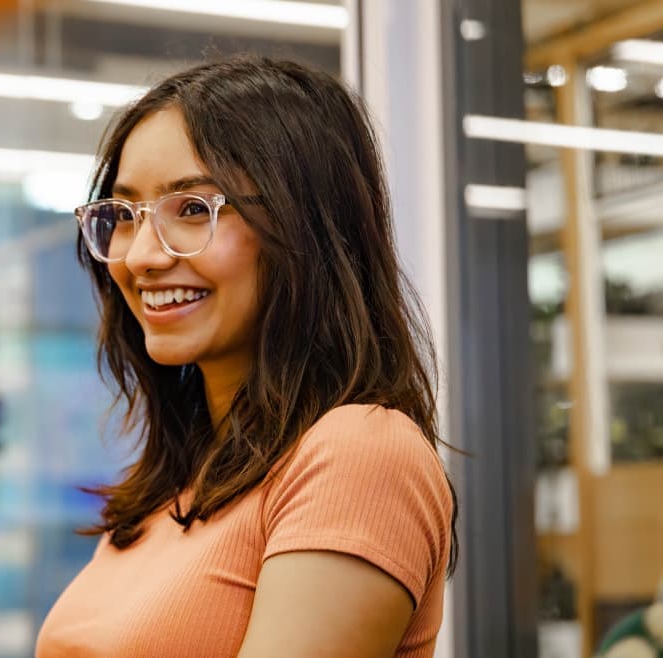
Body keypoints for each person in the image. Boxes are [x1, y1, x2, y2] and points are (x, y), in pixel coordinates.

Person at [35, 57, 457, 657]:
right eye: (125, 215)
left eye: (192, 209)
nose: (143, 257)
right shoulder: (175, 483)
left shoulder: (359, 454)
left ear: (303, 226)